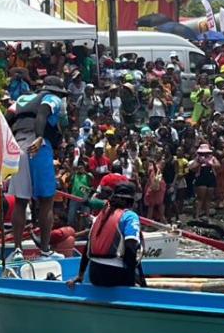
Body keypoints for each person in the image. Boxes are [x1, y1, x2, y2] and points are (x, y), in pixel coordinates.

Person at [8, 76, 69, 261]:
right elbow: (43, 113)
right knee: (46, 201)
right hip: (38, 146)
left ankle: (17, 250)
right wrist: (39, 136)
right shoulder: (52, 98)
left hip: (16, 146)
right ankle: (44, 251)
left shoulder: (22, 99)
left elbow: (7, 118)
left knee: (20, 201)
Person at [67, 182, 141, 289]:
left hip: (94, 275)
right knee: (138, 279)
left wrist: (81, 275)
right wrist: (131, 281)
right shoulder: (130, 216)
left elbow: (88, 247)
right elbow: (130, 249)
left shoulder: (101, 216)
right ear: (130, 201)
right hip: (114, 275)